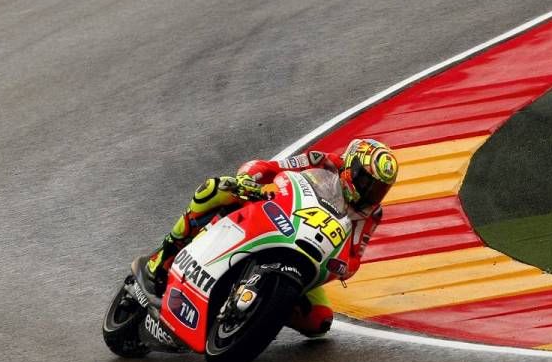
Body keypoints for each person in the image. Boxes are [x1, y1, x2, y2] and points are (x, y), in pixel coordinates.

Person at [145, 137, 398, 337]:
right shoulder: (322, 162)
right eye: (367, 182)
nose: (371, 192)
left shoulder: (371, 214)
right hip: (272, 213)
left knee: (320, 321)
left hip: (305, 252)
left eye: (379, 189)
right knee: (215, 188)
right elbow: (270, 166)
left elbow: (353, 258)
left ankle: (262, 312)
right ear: (351, 166)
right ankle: (164, 255)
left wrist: (340, 267)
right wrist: (247, 180)